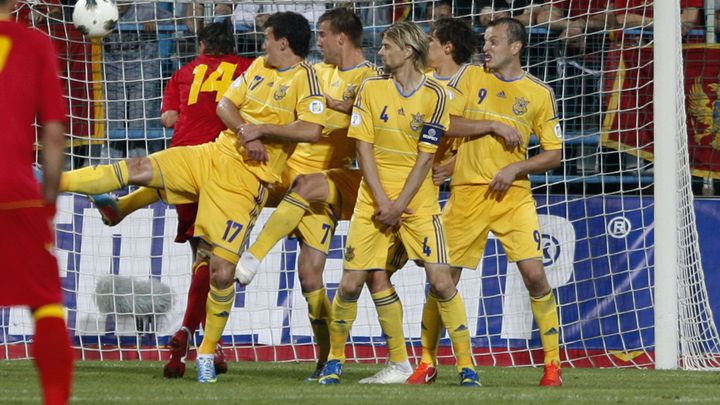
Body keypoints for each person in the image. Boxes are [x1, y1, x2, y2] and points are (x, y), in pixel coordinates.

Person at [57, 11, 326, 384]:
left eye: (267, 38)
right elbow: (224, 106)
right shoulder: (257, 67)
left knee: (221, 271)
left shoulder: (307, 78)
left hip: (245, 184)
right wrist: (246, 132)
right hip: (211, 154)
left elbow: (312, 129)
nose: (262, 43)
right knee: (138, 166)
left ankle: (206, 351)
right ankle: (52, 181)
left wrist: (259, 129)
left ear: (284, 42)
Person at [234, 7, 415, 384]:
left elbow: (381, 120)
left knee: (369, 272)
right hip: (304, 184)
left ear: (341, 38)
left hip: (342, 179)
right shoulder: (316, 74)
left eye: (321, 35)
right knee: (309, 274)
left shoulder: (370, 78)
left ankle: (252, 255)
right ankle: (327, 359)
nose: (317, 42)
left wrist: (342, 107)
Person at [315, 21, 480, 387]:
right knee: (350, 283)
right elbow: (363, 149)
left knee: (440, 280)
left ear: (407, 51)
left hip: (418, 203)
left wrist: (399, 203)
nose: (380, 52)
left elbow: (425, 159)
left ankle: (467, 366)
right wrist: (383, 201)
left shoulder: (437, 96)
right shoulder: (371, 89)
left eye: (387, 46)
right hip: (372, 200)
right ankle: (334, 362)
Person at [91, 20, 254, 379]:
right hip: (222, 169)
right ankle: (188, 335)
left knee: (200, 255)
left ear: (201, 46)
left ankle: (123, 205)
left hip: (181, 162)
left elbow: (168, 119)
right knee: (214, 261)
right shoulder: (246, 69)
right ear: (233, 47)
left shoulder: (183, 72)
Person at [413, 17, 564, 387]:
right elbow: (445, 122)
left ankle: (552, 366)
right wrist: (491, 126)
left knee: (534, 275)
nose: (486, 47)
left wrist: (516, 168)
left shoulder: (539, 93)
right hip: (467, 193)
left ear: (515, 47)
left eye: (494, 41)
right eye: (485, 41)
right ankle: (428, 363)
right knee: (441, 279)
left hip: (513, 196)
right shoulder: (469, 78)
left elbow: (554, 154)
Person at [0, 0, 73, 403]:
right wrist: (47, 199)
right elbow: (54, 133)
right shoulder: (34, 44)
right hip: (14, 194)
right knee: (45, 302)